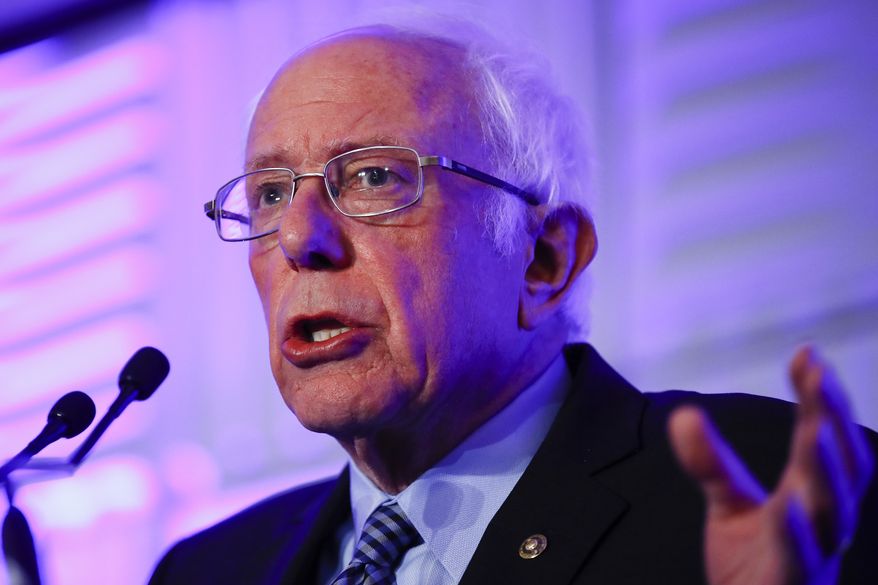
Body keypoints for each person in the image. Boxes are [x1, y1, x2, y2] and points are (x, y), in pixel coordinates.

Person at [149, 20, 877, 585]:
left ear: (543, 259)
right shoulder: (207, 570)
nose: (301, 237)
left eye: (373, 176)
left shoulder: (778, 487)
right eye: (271, 193)